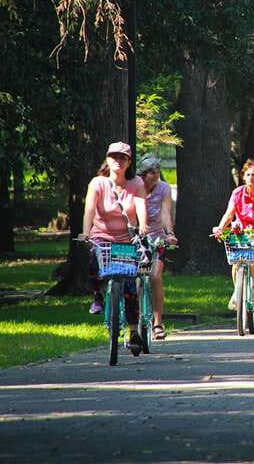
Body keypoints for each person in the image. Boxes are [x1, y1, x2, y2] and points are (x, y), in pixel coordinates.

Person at [79, 142, 149, 354]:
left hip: (126, 240)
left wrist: (144, 225)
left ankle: (133, 330)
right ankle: (97, 296)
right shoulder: (98, 183)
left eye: (123, 158)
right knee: (93, 261)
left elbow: (141, 207)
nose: (118, 161)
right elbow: (89, 210)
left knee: (129, 284)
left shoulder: (136, 183)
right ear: (107, 159)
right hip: (101, 236)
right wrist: (85, 232)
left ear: (129, 162)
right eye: (114, 157)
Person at [213, 159, 254, 309]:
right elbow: (229, 214)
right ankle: (238, 292)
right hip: (240, 232)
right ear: (243, 176)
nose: (251, 178)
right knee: (236, 261)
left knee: (252, 258)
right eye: (248, 174)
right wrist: (220, 228)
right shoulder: (237, 193)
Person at [136, 154, 178, 340]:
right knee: (138, 278)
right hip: (137, 240)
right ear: (143, 174)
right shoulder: (135, 187)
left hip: (156, 239)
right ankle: (134, 320)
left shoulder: (164, 189)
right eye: (152, 172)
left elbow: (165, 213)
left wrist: (169, 233)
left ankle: (157, 323)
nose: (155, 175)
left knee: (154, 276)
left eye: (158, 171)